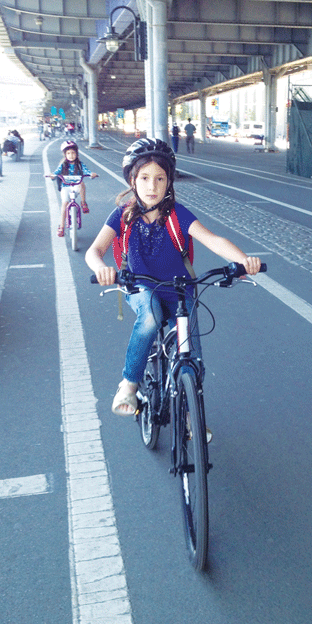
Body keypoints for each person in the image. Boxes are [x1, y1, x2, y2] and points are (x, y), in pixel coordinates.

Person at [85, 138, 261, 417]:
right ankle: (129, 384)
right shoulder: (122, 215)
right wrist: (100, 268)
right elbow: (95, 250)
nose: (152, 186)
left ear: (169, 182)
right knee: (151, 317)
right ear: (132, 179)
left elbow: (213, 240)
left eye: (160, 178)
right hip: (139, 286)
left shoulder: (177, 215)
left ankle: (191, 414)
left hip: (180, 290)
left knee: (190, 353)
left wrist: (242, 261)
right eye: (144, 178)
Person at [48, 141, 98, 237]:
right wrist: (52, 175)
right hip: (65, 187)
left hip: (76, 185)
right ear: (65, 155)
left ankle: (83, 203)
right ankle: (61, 227)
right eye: (68, 153)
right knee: (64, 205)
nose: (71, 155)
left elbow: (86, 171)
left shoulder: (80, 164)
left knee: (82, 183)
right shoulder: (62, 165)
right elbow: (55, 173)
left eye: (73, 153)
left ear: (77, 154)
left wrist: (91, 174)